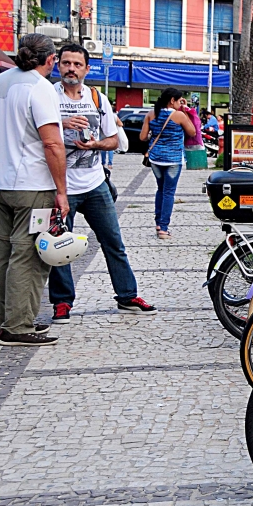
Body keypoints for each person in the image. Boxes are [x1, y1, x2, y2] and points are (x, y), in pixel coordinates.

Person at [48, 43, 156, 322]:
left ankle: (128, 295)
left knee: (113, 242)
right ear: (58, 65)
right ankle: (62, 302)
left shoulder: (98, 98)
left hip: (95, 184)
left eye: (77, 64)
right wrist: (62, 125)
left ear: (86, 69)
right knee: (60, 246)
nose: (71, 68)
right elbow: (36, 137)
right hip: (61, 186)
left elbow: (115, 140)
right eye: (66, 63)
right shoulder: (47, 96)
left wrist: (95, 144)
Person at [0, 34, 69, 346]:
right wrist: (62, 190)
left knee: (3, 255)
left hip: (3, 182)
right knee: (27, 256)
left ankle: (8, 319)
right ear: (51, 59)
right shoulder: (41, 88)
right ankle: (18, 325)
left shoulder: (3, 81)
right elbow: (52, 143)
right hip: (33, 185)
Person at [140, 88, 195, 239]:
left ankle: (158, 223)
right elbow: (193, 132)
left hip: (155, 158)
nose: (179, 103)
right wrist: (184, 110)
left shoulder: (151, 114)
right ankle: (163, 228)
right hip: (173, 159)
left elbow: (143, 137)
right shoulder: (179, 115)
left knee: (160, 189)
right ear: (172, 100)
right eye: (178, 100)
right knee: (169, 192)